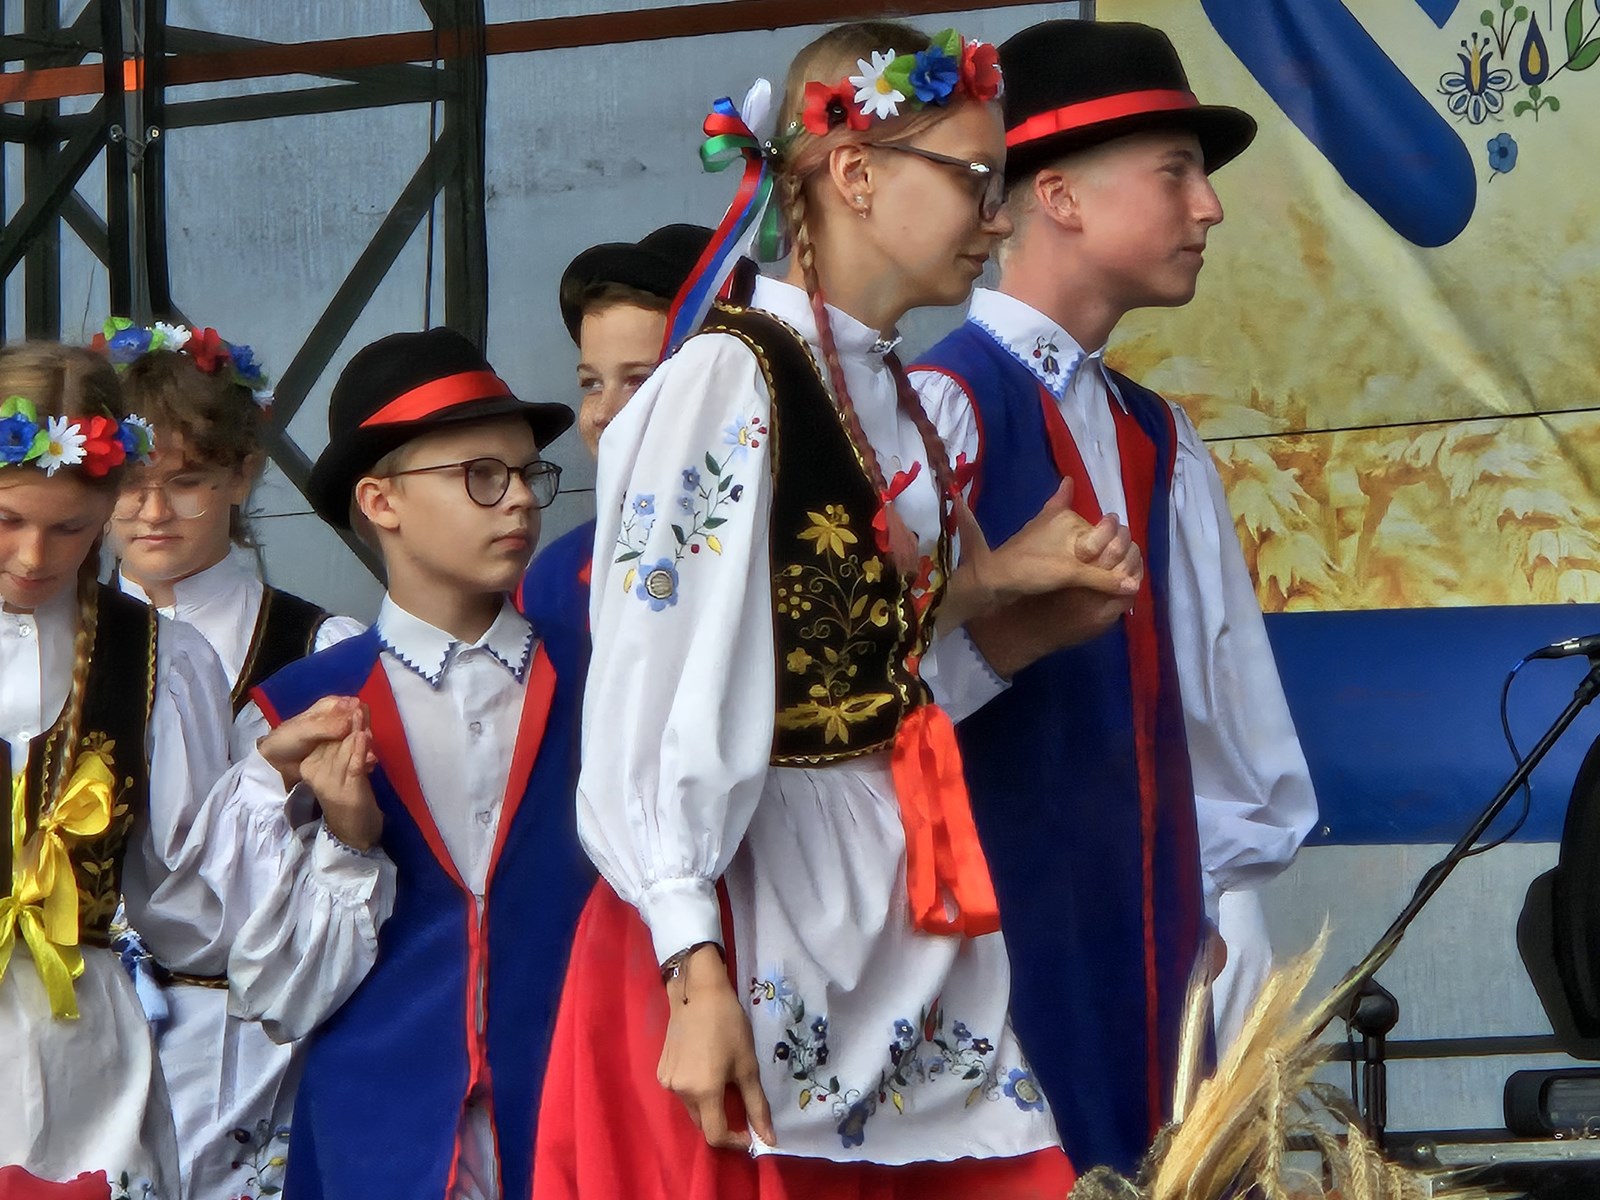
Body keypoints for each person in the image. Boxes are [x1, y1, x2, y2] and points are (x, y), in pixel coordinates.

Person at [535, 21, 1147, 1199]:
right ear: (856, 173)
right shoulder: (728, 380)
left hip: (882, 910)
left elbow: (861, 680)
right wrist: (690, 963)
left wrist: (1014, 620)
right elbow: (653, 682)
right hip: (741, 915)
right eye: (975, 180)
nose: (998, 219)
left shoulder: (885, 391)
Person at [913, 19, 1319, 1176]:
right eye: (1175, 171)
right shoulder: (939, 413)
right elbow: (845, 722)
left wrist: (1224, 926)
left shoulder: (1158, 438)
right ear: (1058, 196)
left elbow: (1220, 722)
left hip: (1153, 966)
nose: (1210, 208)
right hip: (987, 962)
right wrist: (1004, 631)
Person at [222, 327, 595, 1200]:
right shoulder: (297, 711)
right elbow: (273, 993)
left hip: (575, 1110)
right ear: (380, 501)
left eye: (527, 473)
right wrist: (344, 840)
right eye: (481, 475)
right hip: (380, 1138)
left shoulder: (601, 672)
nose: (519, 501)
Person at [97, 320, 363, 1200]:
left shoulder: (321, 649)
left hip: (260, 1042)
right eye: (130, 483)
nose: (153, 511)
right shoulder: (61, 652)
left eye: (186, 482)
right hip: (90, 1023)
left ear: (242, 475)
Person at [0, 344, 245, 1195]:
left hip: (86, 1056)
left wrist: (274, 812)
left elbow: (186, 908)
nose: (34, 555)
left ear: (108, 507)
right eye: (7, 519)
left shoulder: (159, 661)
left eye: (70, 528)